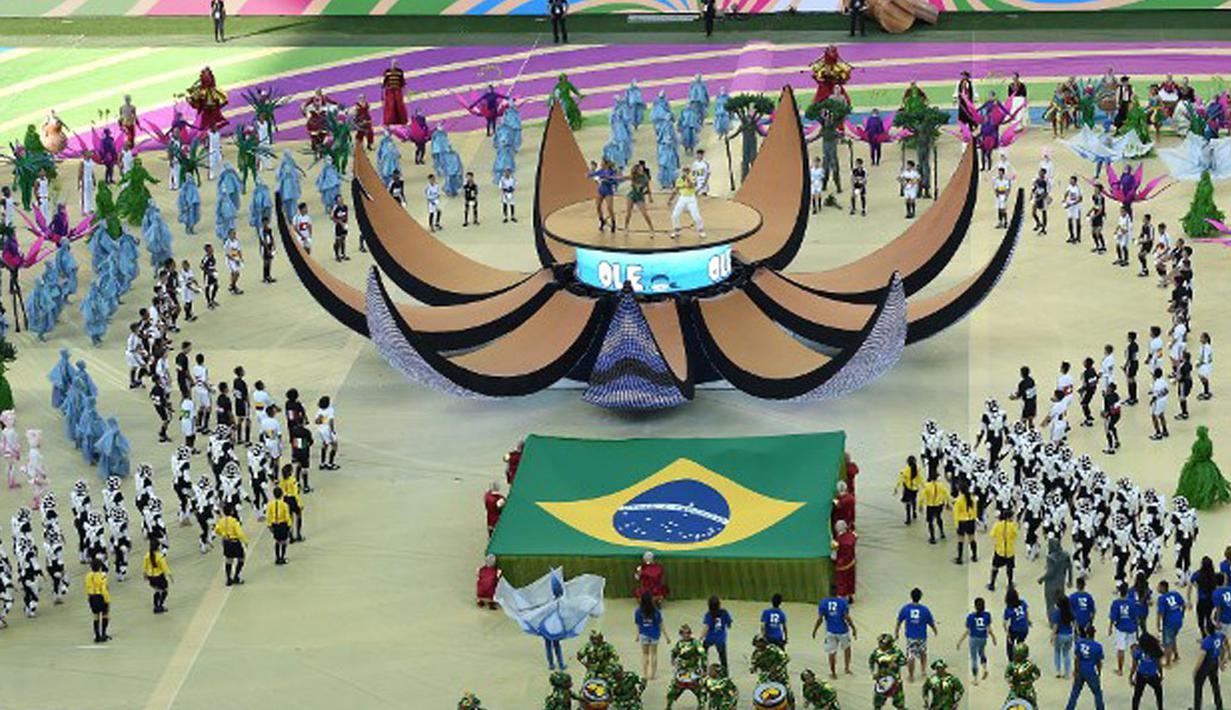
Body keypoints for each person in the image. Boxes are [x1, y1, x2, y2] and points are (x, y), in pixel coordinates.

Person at [896, 587, 937, 682]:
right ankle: (923, 670)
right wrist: (935, 630)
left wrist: (896, 632)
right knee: (923, 653)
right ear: (920, 597)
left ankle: (911, 675)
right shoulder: (925, 610)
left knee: (911, 656)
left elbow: (899, 622)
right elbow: (930, 622)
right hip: (922, 636)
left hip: (911, 637)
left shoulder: (905, 608)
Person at [815, 591, 857, 678]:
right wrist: (853, 628)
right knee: (847, 649)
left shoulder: (823, 602)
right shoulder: (842, 602)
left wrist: (815, 630)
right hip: (843, 630)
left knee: (832, 652)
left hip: (831, 631)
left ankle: (833, 673)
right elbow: (847, 617)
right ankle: (847, 668)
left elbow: (820, 619)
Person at [957, 596, 997, 685]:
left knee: (974, 658)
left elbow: (968, 630)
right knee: (982, 652)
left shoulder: (971, 617)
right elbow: (989, 628)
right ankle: (985, 668)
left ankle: (975, 679)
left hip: (974, 638)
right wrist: (993, 637)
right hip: (983, 638)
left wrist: (960, 641)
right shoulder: (987, 615)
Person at [1066, 626, 1106, 710]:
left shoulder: (1080, 643)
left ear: (1086, 633)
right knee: (1097, 693)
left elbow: (1077, 658)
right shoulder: (1098, 646)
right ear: (1094, 634)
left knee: (1075, 692)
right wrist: (1099, 672)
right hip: (1091, 671)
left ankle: (1069, 708)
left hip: (1081, 669)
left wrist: (1075, 670)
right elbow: (1099, 662)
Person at [635, 591, 668, 680]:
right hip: (654, 634)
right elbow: (661, 624)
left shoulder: (638, 611)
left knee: (645, 654)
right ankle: (653, 674)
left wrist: (637, 635)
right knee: (654, 654)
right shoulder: (656, 611)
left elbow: (638, 624)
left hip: (644, 634)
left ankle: (645, 674)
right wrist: (666, 636)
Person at [1110, 583, 1141, 675]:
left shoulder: (1116, 603)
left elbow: (1113, 617)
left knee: (1121, 649)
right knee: (1134, 647)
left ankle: (1120, 670)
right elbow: (1136, 617)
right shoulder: (1132, 602)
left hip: (1121, 628)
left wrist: (1110, 627)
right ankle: (1135, 667)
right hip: (1131, 627)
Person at [668, 166, 704, 239]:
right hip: (682, 198)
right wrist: (670, 200)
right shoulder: (679, 179)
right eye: (684, 170)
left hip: (691, 198)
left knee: (696, 216)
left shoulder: (692, 177)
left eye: (687, 170)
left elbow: (691, 185)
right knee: (675, 215)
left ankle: (700, 230)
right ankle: (676, 230)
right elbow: (676, 190)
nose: (685, 172)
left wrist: (687, 177)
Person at [214, 505, 247, 585]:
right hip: (235, 542)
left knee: (229, 559)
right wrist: (245, 541)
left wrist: (222, 534)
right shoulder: (234, 521)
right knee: (241, 558)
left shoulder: (221, 521)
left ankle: (228, 578)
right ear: (232, 511)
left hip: (226, 542)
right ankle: (236, 576)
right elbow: (239, 533)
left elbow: (217, 530)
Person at [1194, 627, 1225, 709]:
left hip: (1206, 663)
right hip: (1215, 662)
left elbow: (1202, 656)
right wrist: (1221, 661)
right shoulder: (1219, 636)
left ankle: (1197, 707)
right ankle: (1219, 705)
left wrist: (1195, 670)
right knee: (1215, 683)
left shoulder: (1207, 641)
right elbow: (1223, 648)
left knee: (1198, 685)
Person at [1157, 579, 1186, 667]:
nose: (1157, 588)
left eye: (1159, 587)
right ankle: (1176, 655)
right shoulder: (1175, 594)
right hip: (1178, 620)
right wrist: (1182, 614)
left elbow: (1160, 613)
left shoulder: (1161, 599)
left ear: (1163, 588)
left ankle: (1168, 663)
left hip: (1169, 622)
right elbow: (1183, 605)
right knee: (1173, 638)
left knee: (1167, 643)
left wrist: (1158, 625)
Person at [988, 509, 1018, 591]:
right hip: (1009, 551)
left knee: (995, 567)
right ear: (1009, 517)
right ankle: (1010, 584)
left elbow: (992, 535)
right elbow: (1016, 535)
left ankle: (992, 584)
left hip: (999, 550)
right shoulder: (1013, 525)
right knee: (1010, 568)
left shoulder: (997, 525)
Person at [702, 595, 733, 673]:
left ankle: (703, 669)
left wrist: (701, 636)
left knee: (703, 653)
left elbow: (707, 627)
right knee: (722, 657)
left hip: (710, 637)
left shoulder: (709, 614)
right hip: (720, 638)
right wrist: (728, 624)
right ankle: (725, 673)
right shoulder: (724, 612)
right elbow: (729, 624)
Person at [142, 536, 171, 613]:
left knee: (157, 591)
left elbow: (145, 566)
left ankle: (155, 606)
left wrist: (145, 575)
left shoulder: (147, 555)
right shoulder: (160, 556)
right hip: (159, 576)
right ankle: (160, 606)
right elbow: (165, 567)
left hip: (151, 577)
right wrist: (170, 576)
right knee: (165, 591)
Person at [85, 558, 111, 642]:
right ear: (100, 567)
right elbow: (104, 588)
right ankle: (103, 633)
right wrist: (107, 599)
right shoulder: (102, 575)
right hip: (101, 597)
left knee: (95, 616)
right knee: (105, 615)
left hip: (92, 597)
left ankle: (97, 636)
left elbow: (87, 587)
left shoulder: (88, 576)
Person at [1004, 586, 1032, 663]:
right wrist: (1028, 621)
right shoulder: (1023, 603)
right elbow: (1026, 612)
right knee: (1020, 643)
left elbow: (1005, 623)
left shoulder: (1009, 609)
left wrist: (1008, 634)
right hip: (1024, 628)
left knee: (1010, 645)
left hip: (1014, 629)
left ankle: (1011, 660)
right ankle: (1021, 658)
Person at [952, 484, 978, 565]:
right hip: (971, 521)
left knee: (960, 540)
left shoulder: (958, 500)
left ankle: (960, 558)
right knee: (972, 539)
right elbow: (975, 510)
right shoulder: (972, 498)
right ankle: (974, 556)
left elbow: (956, 513)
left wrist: (956, 524)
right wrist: (974, 519)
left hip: (962, 521)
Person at [1053, 593, 1077, 679]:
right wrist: (1076, 633)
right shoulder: (1070, 612)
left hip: (1060, 635)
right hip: (1069, 635)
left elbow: (1055, 626)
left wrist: (1052, 636)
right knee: (1066, 653)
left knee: (1057, 652)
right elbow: (1075, 624)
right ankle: (1067, 673)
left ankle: (1058, 671)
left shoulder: (1057, 613)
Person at [266, 485, 291, 565]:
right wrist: (289, 525)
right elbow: (287, 516)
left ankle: (277, 558)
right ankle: (282, 557)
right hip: (283, 524)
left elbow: (268, 515)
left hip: (274, 524)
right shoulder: (284, 505)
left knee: (277, 541)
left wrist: (269, 525)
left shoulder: (270, 505)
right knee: (284, 541)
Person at [921, 472, 949, 544]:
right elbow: (946, 494)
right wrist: (948, 503)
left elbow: (922, 496)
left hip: (930, 505)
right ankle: (942, 532)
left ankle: (932, 537)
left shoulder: (927, 486)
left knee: (930, 521)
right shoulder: (941, 485)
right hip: (939, 505)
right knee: (939, 517)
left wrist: (920, 505)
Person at [893, 455, 921, 525]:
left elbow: (901, 480)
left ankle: (908, 519)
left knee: (907, 504)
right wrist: (925, 487)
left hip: (908, 489)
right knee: (914, 500)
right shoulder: (917, 469)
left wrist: (896, 488)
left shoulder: (905, 471)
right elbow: (921, 479)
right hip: (915, 488)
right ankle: (914, 512)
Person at [1149, 367, 1170, 440]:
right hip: (1165, 400)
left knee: (1154, 416)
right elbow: (1167, 391)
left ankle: (1158, 433)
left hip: (1158, 401)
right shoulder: (1164, 382)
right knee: (1161, 415)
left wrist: (1151, 402)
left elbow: (1155, 396)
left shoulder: (1156, 384)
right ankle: (1165, 431)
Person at [330, 194, 350, 262]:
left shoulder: (345, 207)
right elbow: (332, 217)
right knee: (337, 241)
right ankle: (337, 255)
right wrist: (340, 223)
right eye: (339, 200)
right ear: (336, 202)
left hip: (344, 225)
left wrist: (346, 223)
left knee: (343, 239)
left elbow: (346, 215)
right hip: (337, 227)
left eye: (341, 200)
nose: (341, 201)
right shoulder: (335, 208)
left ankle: (343, 254)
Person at [1063, 175, 1083, 243]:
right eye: (1070, 180)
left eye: (1072, 180)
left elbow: (1080, 199)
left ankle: (1078, 237)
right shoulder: (1069, 187)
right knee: (1069, 221)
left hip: (1076, 206)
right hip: (1070, 206)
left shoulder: (1078, 188)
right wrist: (1064, 199)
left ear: (1075, 181)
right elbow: (1066, 193)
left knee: (1077, 221)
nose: (1070, 181)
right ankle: (1071, 236)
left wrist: (1072, 204)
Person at [1031, 167, 1050, 235]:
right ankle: (1038, 223)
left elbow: (1046, 192)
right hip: (1036, 197)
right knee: (1033, 212)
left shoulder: (1046, 181)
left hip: (1043, 198)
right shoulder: (1037, 180)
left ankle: (1044, 229)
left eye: (1041, 172)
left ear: (1044, 173)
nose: (1039, 173)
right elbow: (1034, 188)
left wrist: (1040, 198)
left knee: (1044, 213)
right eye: (1039, 172)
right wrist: (1032, 195)